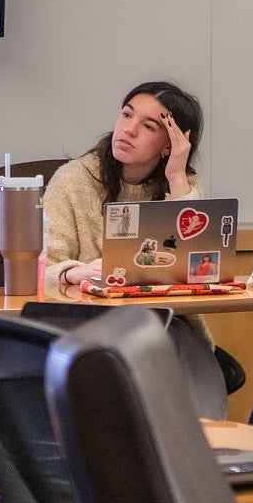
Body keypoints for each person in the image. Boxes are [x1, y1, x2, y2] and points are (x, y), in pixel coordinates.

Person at [43, 80, 212, 343]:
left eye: (148, 126)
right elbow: (42, 269)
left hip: (166, 325)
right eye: (126, 114)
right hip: (87, 328)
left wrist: (177, 176)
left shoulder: (183, 184)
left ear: (170, 144)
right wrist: (72, 272)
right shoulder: (72, 180)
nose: (128, 129)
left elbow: (199, 269)